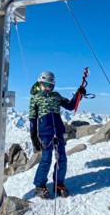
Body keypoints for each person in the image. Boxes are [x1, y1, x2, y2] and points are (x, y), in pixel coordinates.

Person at [29, 71, 85, 199]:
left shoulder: (56, 96)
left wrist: (78, 94)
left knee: (62, 159)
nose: (48, 88)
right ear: (40, 83)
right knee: (46, 158)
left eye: (51, 85)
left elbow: (70, 106)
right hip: (45, 132)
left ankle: (58, 183)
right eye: (45, 85)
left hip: (58, 131)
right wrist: (34, 138)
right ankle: (39, 184)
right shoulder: (35, 98)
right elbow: (32, 119)